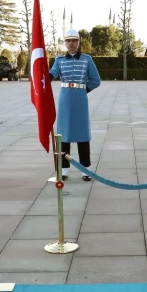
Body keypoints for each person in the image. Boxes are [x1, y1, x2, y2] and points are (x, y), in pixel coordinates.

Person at [49, 28, 101, 181]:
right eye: (68, 41)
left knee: (82, 134)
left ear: (78, 42)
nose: (71, 43)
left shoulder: (87, 59)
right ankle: (64, 169)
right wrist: (44, 76)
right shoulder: (59, 60)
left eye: (74, 41)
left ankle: (86, 169)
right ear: (65, 42)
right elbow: (52, 73)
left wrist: (82, 91)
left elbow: (96, 80)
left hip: (80, 99)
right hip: (65, 98)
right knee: (64, 133)